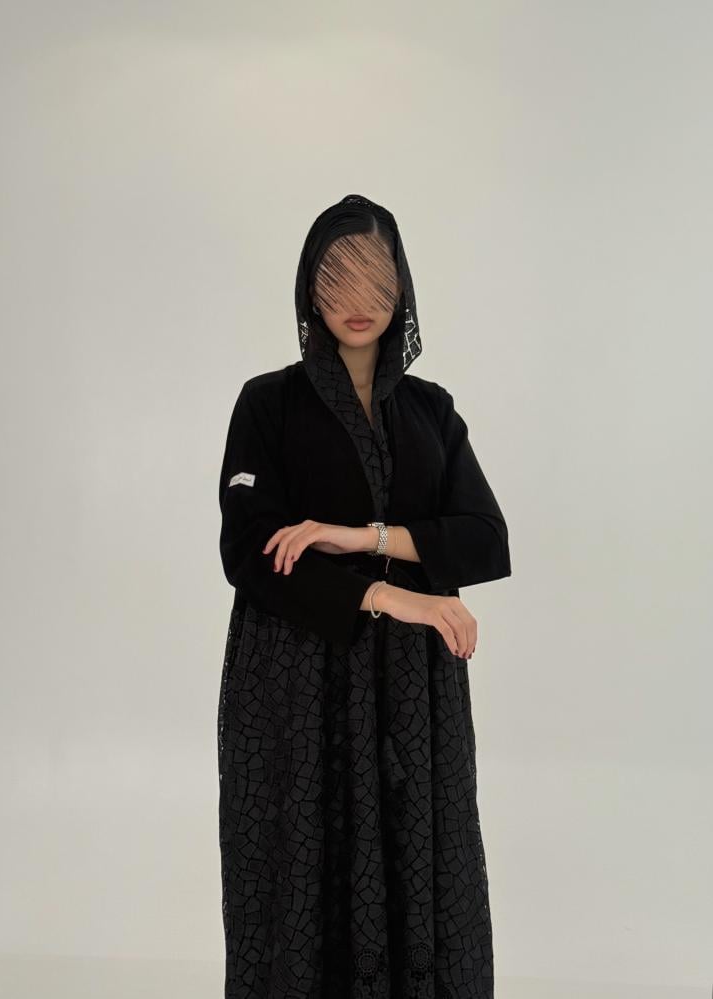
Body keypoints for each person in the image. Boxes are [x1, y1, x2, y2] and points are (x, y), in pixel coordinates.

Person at [217, 193, 511, 998]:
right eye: (338, 276)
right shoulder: (267, 403)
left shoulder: (430, 410)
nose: (359, 299)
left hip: (413, 689)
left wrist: (362, 536)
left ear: (402, 287)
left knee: (422, 855)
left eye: (377, 277)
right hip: (296, 678)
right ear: (310, 288)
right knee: (301, 864)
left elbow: (484, 536)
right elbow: (250, 551)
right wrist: (396, 596)